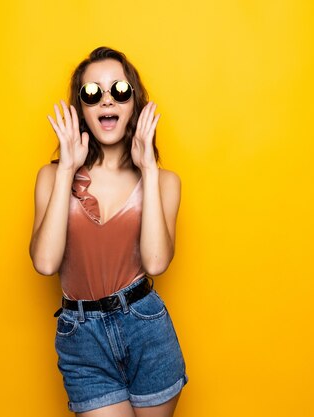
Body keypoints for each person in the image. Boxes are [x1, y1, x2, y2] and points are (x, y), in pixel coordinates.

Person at [29, 46, 187, 417]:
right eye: (91, 93)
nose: (106, 100)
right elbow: (45, 262)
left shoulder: (165, 182)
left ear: (134, 102)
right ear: (80, 109)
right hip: (81, 338)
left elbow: (156, 261)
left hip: (147, 330)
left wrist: (148, 168)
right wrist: (68, 168)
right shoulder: (52, 177)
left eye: (118, 90)